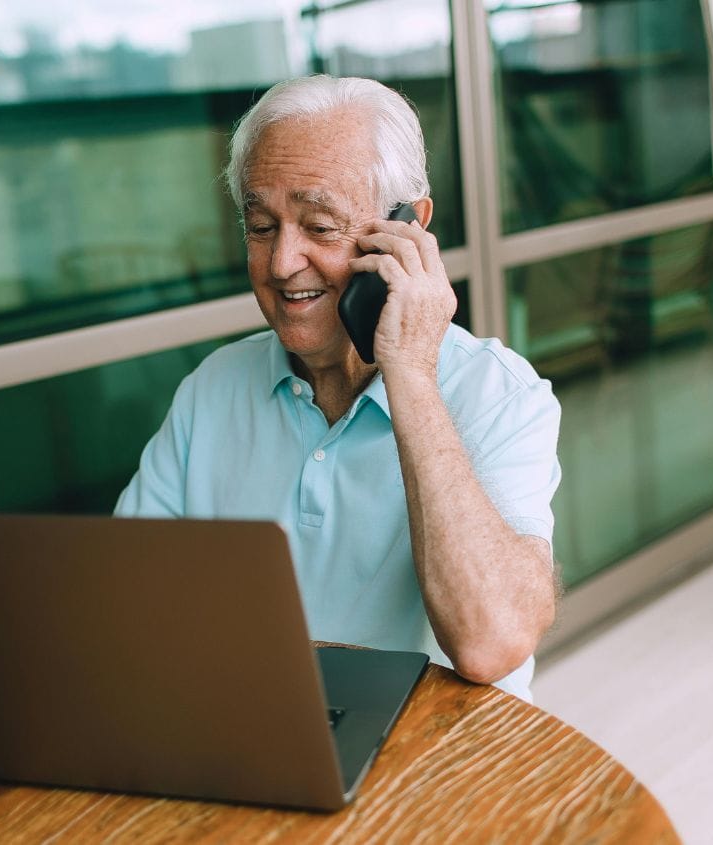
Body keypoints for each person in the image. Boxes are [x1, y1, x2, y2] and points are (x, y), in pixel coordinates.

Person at [116, 75, 561, 701]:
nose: (281, 263)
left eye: (320, 226)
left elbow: (491, 643)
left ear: (409, 229)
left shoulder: (501, 394)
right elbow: (127, 599)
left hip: (434, 747)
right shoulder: (212, 388)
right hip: (259, 721)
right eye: (261, 226)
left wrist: (409, 373)